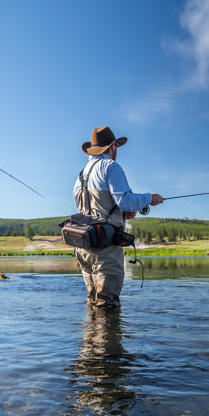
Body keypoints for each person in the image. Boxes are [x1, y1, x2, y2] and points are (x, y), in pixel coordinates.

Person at [72, 126, 164, 309]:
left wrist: (119, 214)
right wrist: (150, 198)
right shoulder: (110, 166)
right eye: (117, 147)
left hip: (84, 245)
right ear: (112, 146)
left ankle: (90, 336)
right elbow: (124, 200)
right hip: (104, 246)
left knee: (93, 300)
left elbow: (89, 209)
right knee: (107, 304)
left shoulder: (81, 174)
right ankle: (108, 338)